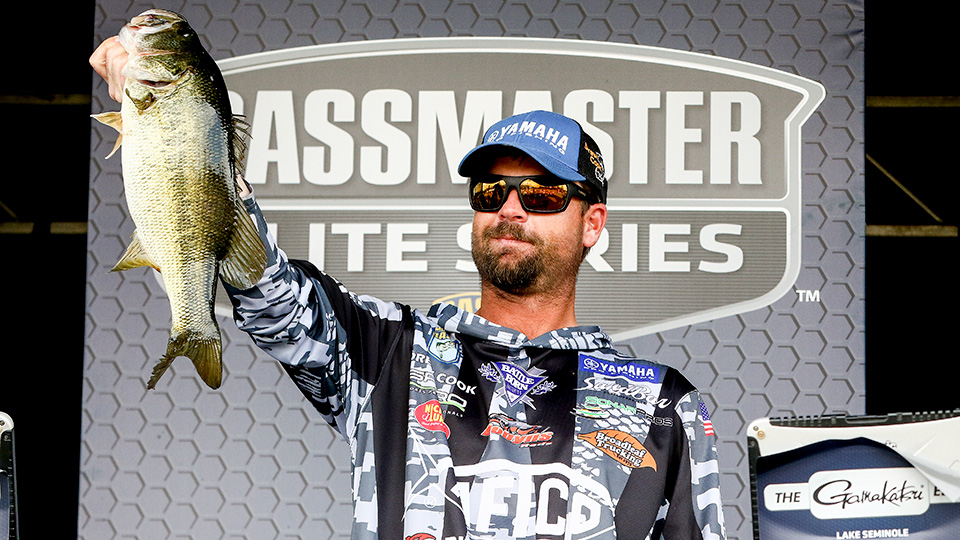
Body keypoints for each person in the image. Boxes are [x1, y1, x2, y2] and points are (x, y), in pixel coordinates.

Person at [92, 37, 725, 540]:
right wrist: (176, 116)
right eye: (490, 191)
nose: (510, 208)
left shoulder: (663, 405)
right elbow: (267, 289)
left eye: (541, 193)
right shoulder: (393, 352)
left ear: (592, 223)